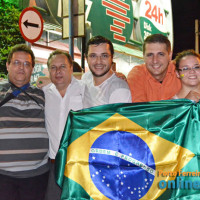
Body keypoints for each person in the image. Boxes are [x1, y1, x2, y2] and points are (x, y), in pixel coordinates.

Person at [37, 50, 90, 200]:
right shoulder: (43, 93)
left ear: (71, 68)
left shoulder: (85, 89)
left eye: (63, 67)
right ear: (48, 71)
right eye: (53, 68)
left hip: (79, 162)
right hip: (53, 164)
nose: (58, 71)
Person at [0, 44, 49, 200]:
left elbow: (71, 84)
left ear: (32, 68)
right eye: (16, 63)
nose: (21, 67)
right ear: (7, 65)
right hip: (3, 176)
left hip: (37, 175)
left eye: (27, 64)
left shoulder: (42, 94)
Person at [127, 34, 181, 102]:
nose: (155, 60)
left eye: (160, 54)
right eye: (150, 55)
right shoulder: (137, 74)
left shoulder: (181, 70)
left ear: (169, 55)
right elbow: (140, 109)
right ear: (143, 56)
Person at [83, 35, 131, 106]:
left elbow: (120, 117)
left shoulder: (119, 89)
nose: (98, 61)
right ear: (86, 58)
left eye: (104, 56)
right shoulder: (86, 77)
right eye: (93, 56)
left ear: (112, 57)